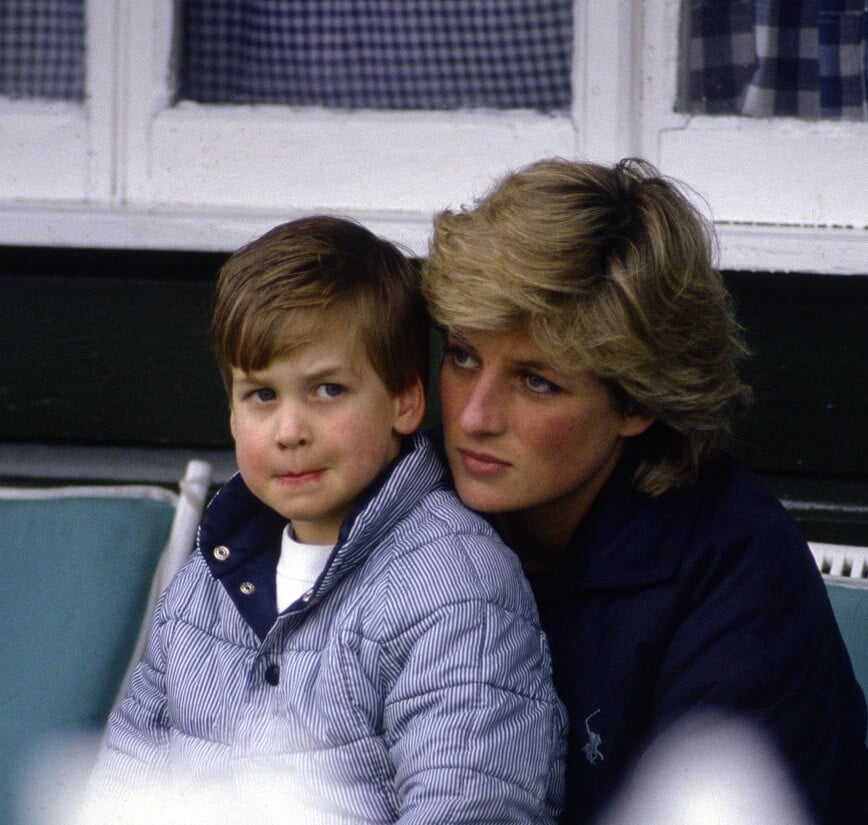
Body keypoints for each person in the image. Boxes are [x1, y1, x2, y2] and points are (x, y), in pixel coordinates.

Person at [421, 158, 868, 825]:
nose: (472, 416)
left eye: (536, 382)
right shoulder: (410, 506)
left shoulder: (736, 572)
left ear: (637, 403)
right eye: (462, 356)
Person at [86, 216, 566, 823]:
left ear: (404, 401)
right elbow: (124, 783)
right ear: (231, 413)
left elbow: (469, 803)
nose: (290, 432)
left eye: (327, 391)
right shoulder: (208, 579)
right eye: (262, 395)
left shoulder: (453, 588)